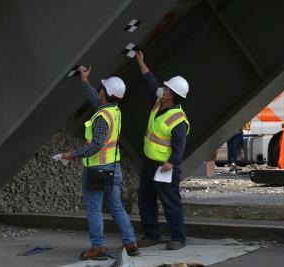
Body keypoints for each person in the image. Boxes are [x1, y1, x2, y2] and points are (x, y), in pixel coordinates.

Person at [61, 66, 139, 260]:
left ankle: (98, 248)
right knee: (116, 207)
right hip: (113, 168)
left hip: (97, 170)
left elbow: (95, 146)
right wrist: (85, 81)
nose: (100, 90)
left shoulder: (102, 118)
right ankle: (130, 243)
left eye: (102, 88)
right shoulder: (114, 110)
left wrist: (72, 154)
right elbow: (98, 100)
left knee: (95, 209)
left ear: (106, 92)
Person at [135, 51, 190, 250]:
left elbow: (180, 146)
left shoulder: (178, 120)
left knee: (170, 202)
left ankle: (179, 238)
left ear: (174, 96)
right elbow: (151, 82)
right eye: (165, 88)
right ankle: (152, 235)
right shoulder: (161, 101)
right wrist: (141, 62)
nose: (164, 91)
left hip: (165, 167)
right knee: (145, 199)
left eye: (168, 90)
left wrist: (172, 163)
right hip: (150, 163)